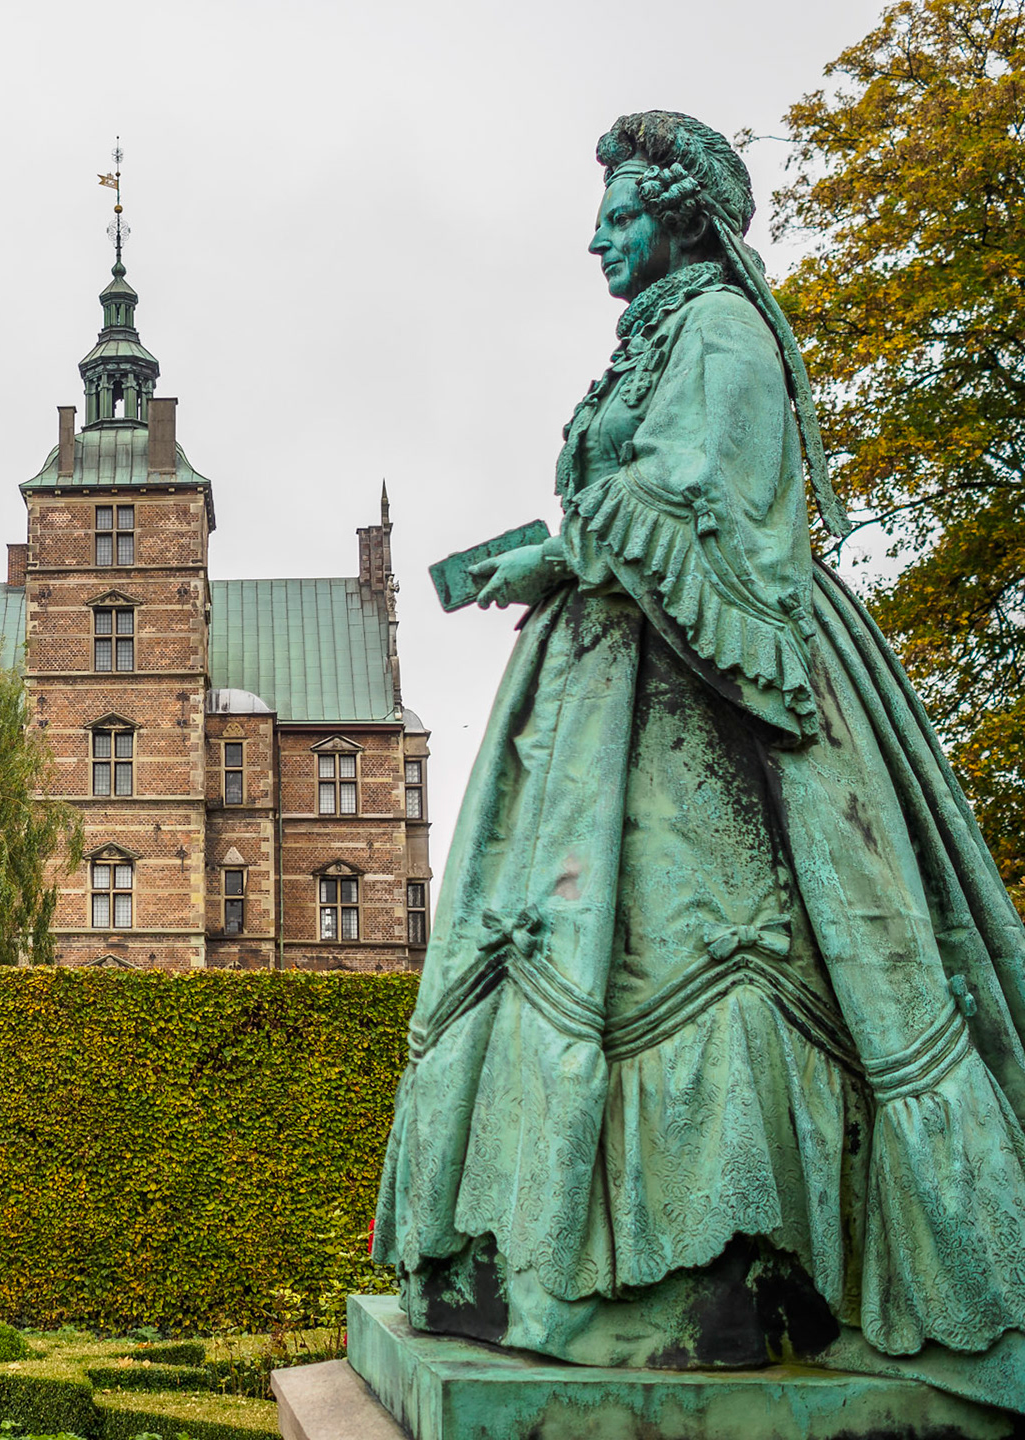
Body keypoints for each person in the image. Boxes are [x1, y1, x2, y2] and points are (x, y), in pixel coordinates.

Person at [372, 111, 1025, 1414]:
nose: (596, 238)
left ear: (674, 220)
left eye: (617, 216)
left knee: (723, 944)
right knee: (580, 941)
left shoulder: (721, 330)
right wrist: (552, 554)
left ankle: (730, 1272)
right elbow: (629, 500)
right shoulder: (651, 340)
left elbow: (710, 507)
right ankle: (564, 1269)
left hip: (722, 704)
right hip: (618, 693)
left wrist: (568, 546)